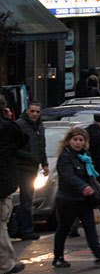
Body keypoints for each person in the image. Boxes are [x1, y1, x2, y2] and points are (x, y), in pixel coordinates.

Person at [51, 127, 100, 268]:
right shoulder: (65, 157)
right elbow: (68, 176)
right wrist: (83, 186)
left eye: (81, 140)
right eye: (75, 139)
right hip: (67, 199)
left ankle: (99, 255)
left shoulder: (85, 156)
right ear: (68, 141)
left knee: (90, 227)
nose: (78, 143)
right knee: (64, 228)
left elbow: (90, 175)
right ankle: (58, 257)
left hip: (84, 200)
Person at [0, 95, 28, 274]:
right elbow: (22, 139)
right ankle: (5, 264)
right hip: (3, 183)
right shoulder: (7, 127)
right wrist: (8, 119)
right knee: (1, 224)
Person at [13, 102, 49, 241]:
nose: (34, 114)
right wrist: (31, 157)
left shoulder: (39, 126)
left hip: (33, 167)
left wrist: (44, 163)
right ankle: (26, 230)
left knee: (28, 199)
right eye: (32, 111)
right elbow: (15, 148)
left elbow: (42, 146)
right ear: (27, 111)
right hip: (22, 167)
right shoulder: (20, 125)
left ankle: (17, 227)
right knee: (27, 199)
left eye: (37, 112)